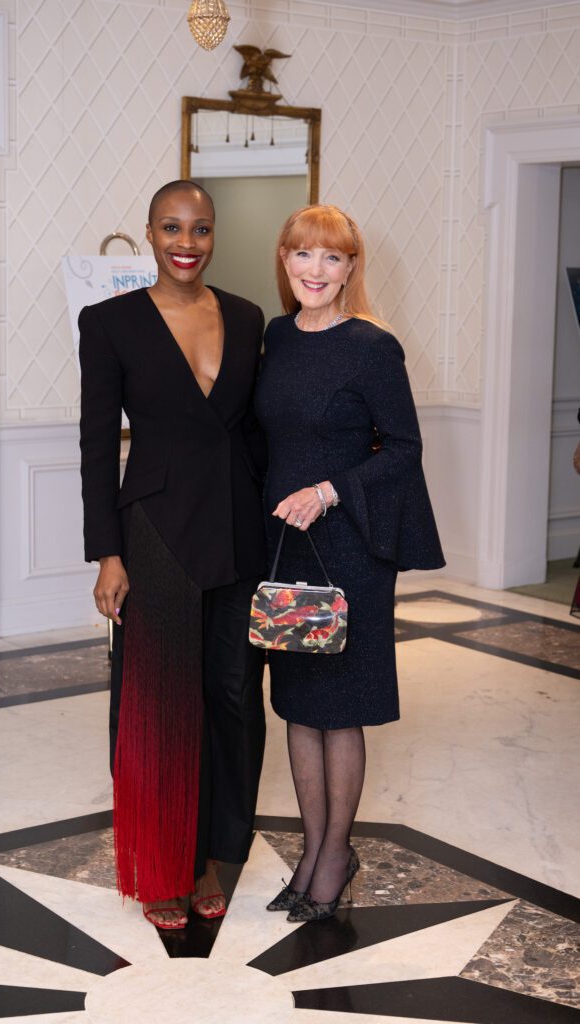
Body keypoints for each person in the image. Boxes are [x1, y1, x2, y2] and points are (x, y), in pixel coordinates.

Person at [78, 180, 267, 930]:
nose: (186, 242)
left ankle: (214, 853)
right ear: (149, 234)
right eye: (171, 228)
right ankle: (163, 863)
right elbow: (97, 445)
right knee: (158, 701)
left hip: (238, 529)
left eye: (199, 228)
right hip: (152, 534)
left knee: (230, 697)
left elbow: (259, 432)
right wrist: (106, 553)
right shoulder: (111, 322)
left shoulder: (249, 317)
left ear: (213, 235)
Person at [254, 204, 444, 922]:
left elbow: (402, 449)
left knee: (340, 710)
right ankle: (310, 851)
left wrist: (329, 491)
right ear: (283, 259)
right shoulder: (275, 338)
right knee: (298, 707)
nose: (315, 270)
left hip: (348, 546)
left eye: (331, 258)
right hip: (286, 546)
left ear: (350, 269)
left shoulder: (371, 347)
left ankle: (334, 855)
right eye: (303, 254)